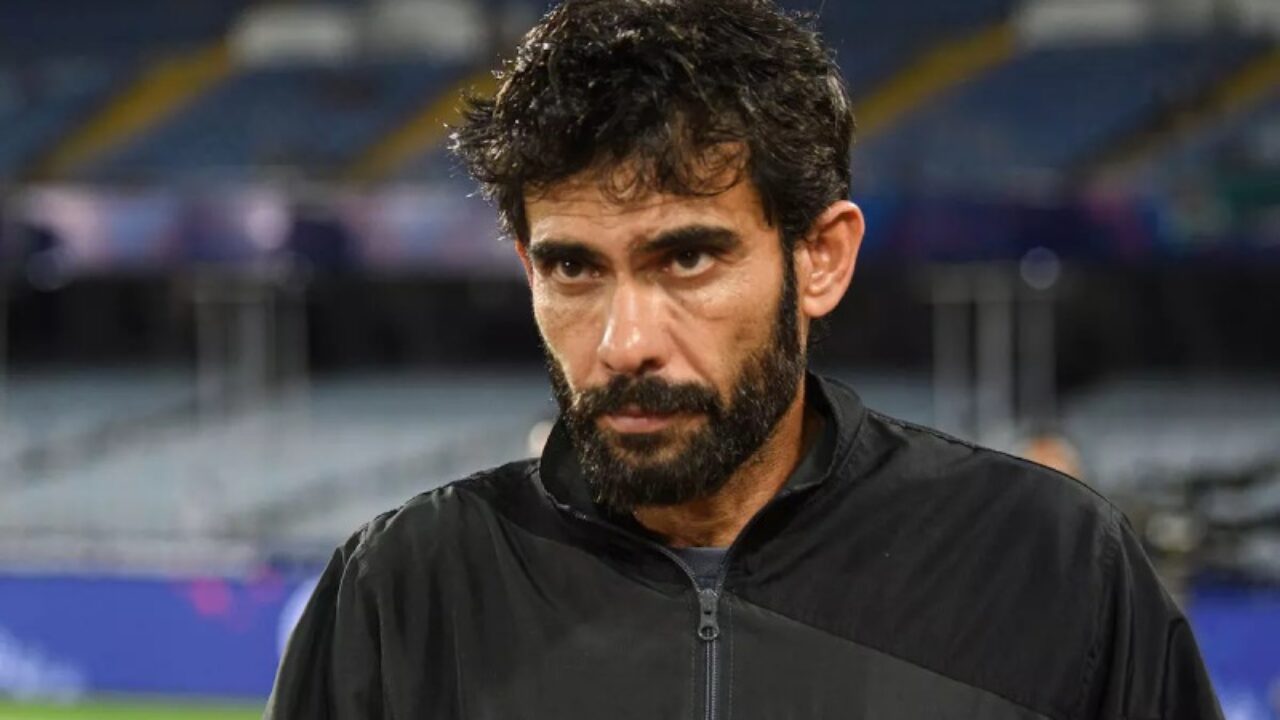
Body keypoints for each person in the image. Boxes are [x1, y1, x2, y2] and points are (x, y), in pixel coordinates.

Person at [265, 1, 1224, 717]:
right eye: (573, 267)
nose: (625, 343)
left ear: (822, 258)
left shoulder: (1053, 567)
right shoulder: (400, 594)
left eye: (687, 259)